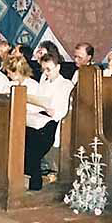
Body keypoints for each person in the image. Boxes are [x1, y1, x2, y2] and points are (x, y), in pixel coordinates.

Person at [25, 52, 73, 191]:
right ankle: (28, 178)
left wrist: (49, 109)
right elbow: (38, 100)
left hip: (53, 123)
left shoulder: (66, 84)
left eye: (48, 69)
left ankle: (35, 182)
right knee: (23, 136)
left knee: (34, 145)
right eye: (43, 69)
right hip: (39, 118)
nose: (45, 73)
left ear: (58, 67)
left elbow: (61, 110)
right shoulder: (44, 80)